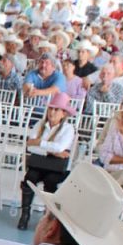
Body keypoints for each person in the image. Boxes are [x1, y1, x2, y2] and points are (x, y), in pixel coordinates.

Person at [17, 92, 77, 230]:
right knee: (29, 179)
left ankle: (48, 218)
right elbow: (31, 147)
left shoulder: (68, 129)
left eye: (57, 109)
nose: (52, 112)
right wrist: (51, 151)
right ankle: (24, 215)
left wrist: (39, 143)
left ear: (63, 113)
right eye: (51, 108)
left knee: (51, 182)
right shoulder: (40, 124)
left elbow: (60, 147)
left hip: (56, 167)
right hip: (39, 163)